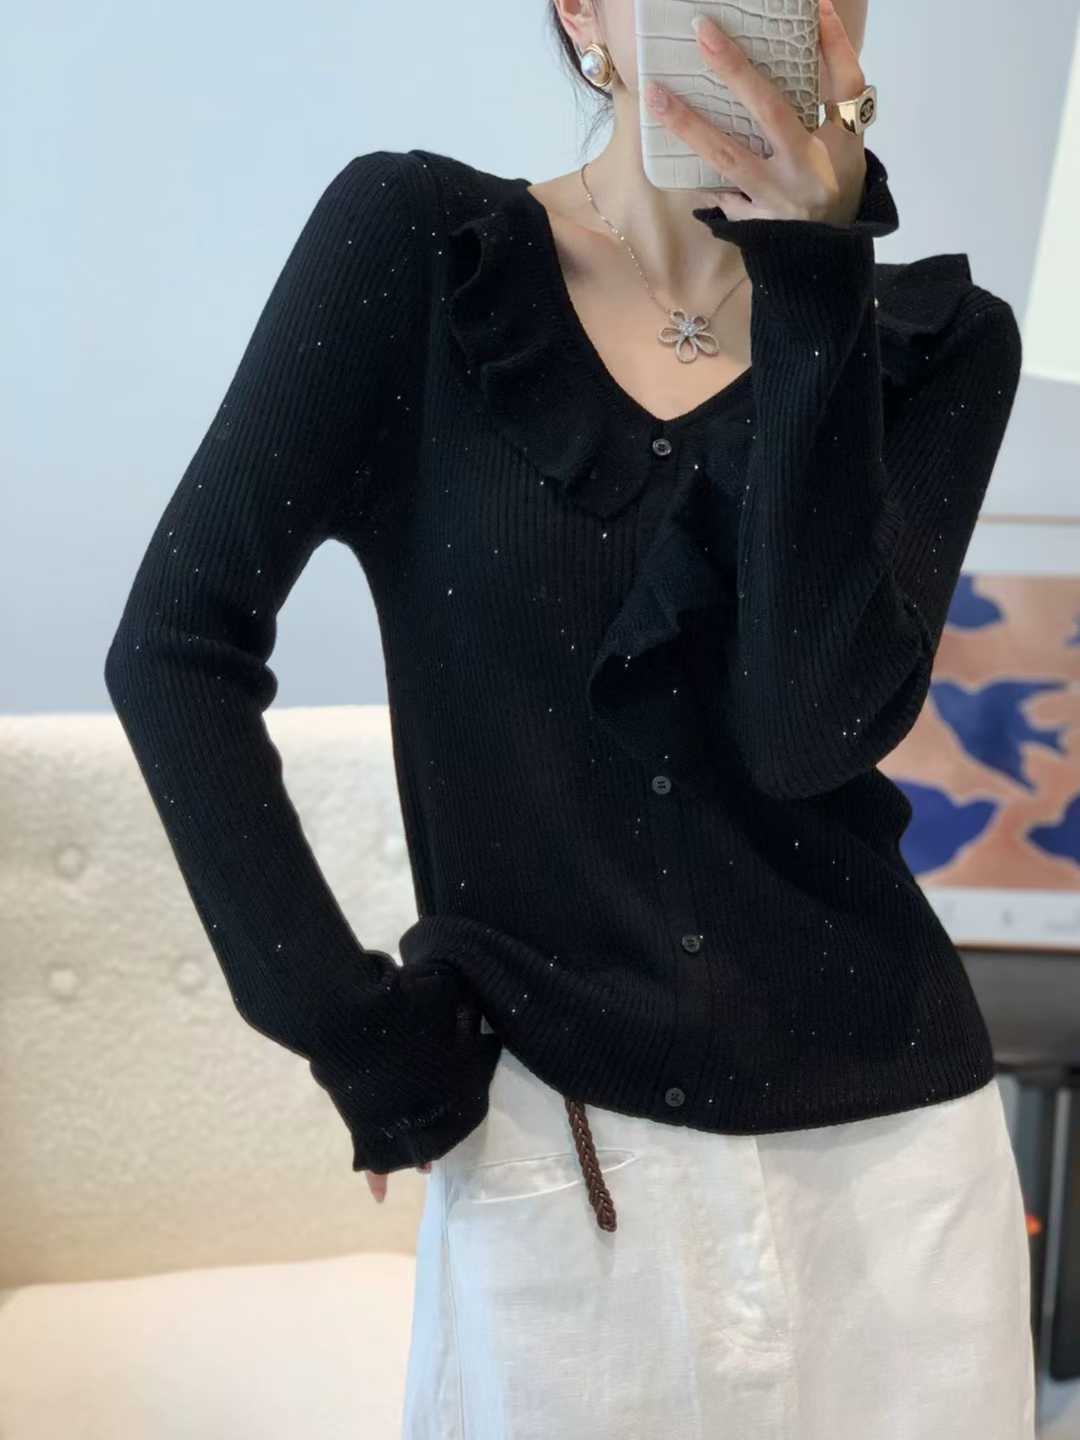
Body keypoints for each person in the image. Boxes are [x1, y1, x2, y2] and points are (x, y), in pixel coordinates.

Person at [104, 0, 1036, 1434]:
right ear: (585, 9)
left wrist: (812, 274)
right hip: (564, 1150)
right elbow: (176, 643)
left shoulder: (937, 344)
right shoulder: (418, 249)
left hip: (898, 1179)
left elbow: (806, 731)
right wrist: (343, 1020)